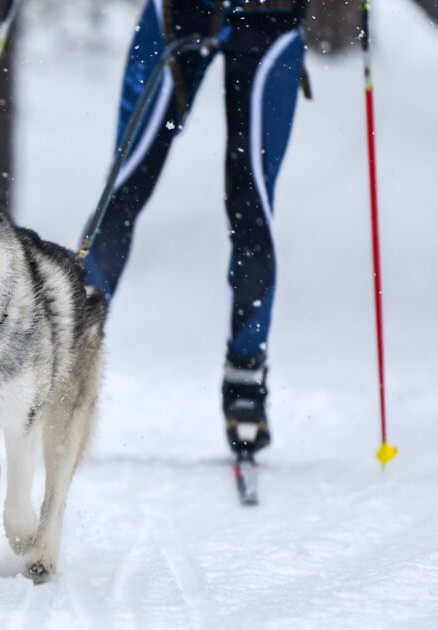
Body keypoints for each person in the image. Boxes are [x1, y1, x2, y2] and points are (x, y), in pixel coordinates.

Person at [81, 0, 309, 458]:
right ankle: (68, 341)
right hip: (180, 11)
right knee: (124, 185)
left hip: (270, 20)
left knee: (252, 204)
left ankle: (246, 369)